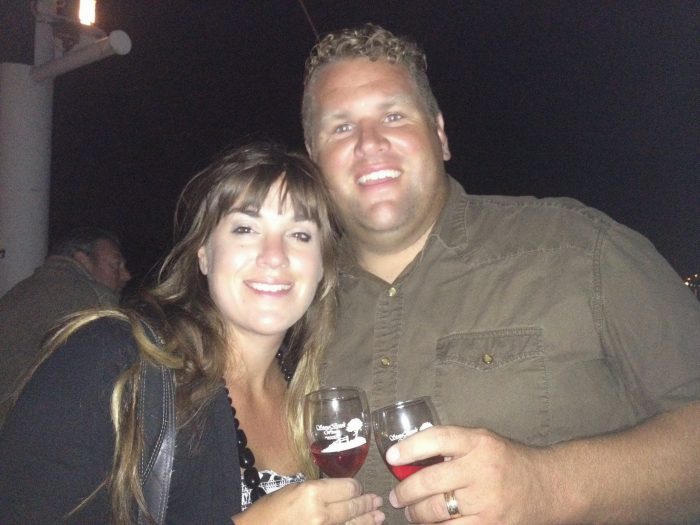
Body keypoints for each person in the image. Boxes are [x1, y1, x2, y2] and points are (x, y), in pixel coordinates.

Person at [301, 23, 700, 524]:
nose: (369, 142)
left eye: (394, 115)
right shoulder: (296, 314)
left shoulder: (578, 249)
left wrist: (550, 486)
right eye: (341, 128)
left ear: (439, 135)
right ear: (313, 162)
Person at [0, 142, 385, 524]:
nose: (274, 255)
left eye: (300, 235)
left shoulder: (312, 393)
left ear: (322, 267)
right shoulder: (112, 361)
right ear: (204, 254)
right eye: (245, 228)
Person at [0, 226, 131, 427]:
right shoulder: (91, 303)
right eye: (116, 264)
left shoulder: (20, 292)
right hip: (32, 431)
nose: (126, 275)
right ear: (82, 259)